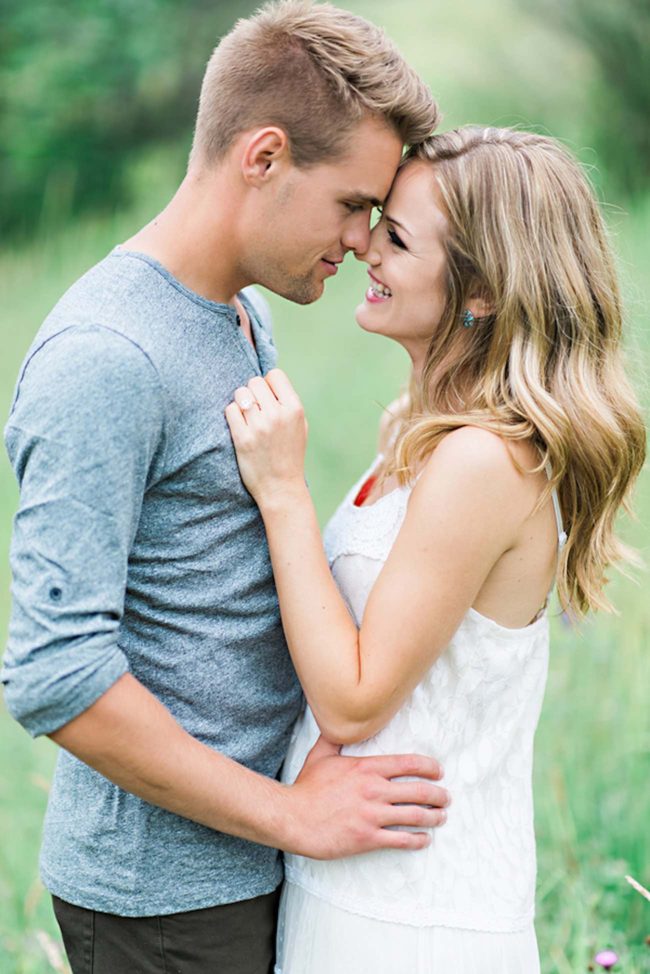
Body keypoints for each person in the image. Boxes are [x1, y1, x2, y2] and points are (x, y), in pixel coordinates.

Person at [1, 3, 446, 973]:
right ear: (263, 156)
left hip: (247, 865)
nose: (362, 240)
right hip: (164, 900)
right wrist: (291, 813)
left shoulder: (238, 308)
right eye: (349, 203)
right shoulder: (105, 357)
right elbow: (52, 670)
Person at [226, 126, 646, 973]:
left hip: (413, 924)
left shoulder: (485, 461)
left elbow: (352, 701)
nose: (364, 248)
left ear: (481, 292)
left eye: (398, 238)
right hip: (351, 891)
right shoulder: (424, 436)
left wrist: (283, 494)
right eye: (378, 222)